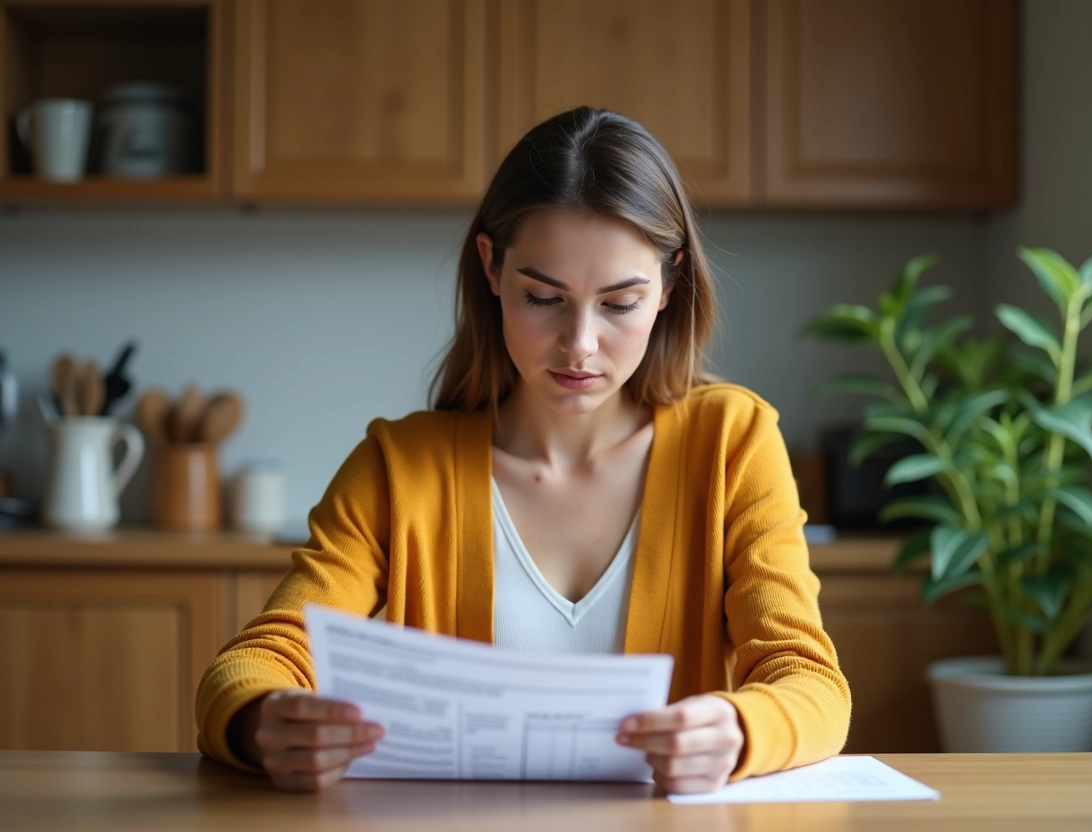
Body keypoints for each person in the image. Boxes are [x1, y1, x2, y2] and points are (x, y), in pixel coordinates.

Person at [195, 106, 851, 794]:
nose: (580, 345)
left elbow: (808, 681)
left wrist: (741, 729)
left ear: (669, 286)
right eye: (544, 297)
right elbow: (253, 663)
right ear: (492, 267)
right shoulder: (401, 468)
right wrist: (262, 720)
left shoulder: (731, 444)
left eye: (620, 303)